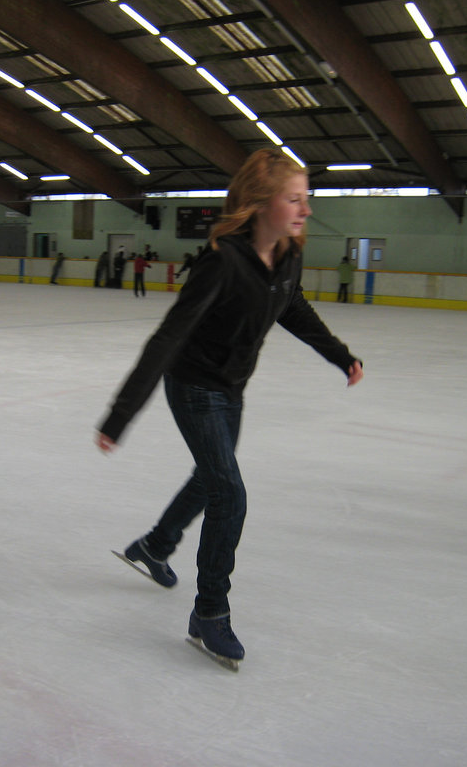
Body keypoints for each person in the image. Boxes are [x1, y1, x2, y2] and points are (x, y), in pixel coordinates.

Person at [95, 148, 364, 666]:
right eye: (295, 199)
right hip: (194, 387)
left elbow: (294, 307)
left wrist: (339, 355)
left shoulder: (288, 255)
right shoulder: (222, 261)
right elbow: (169, 336)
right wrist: (121, 414)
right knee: (230, 494)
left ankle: (155, 545)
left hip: (232, 388)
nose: (306, 210)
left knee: (213, 476)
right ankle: (209, 614)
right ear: (263, 203)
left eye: (306, 199)